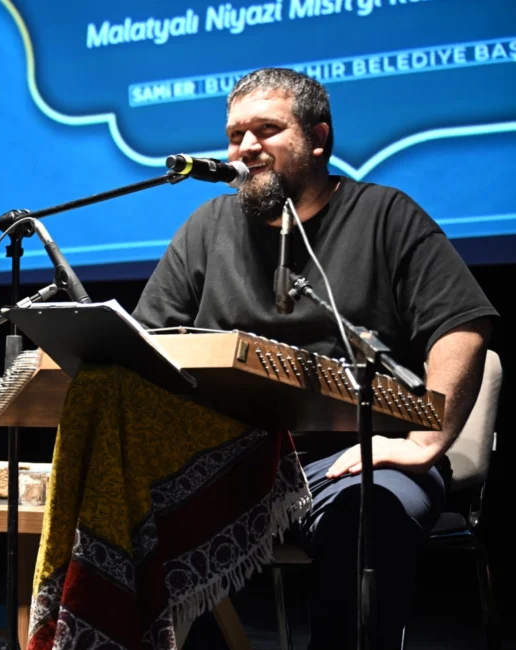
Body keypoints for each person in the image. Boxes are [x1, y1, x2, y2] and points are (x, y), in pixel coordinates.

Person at [131, 68, 497, 649]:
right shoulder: (206, 226)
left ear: (318, 138)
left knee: (370, 518)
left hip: (354, 458)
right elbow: (148, 340)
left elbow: (463, 327)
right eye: (234, 135)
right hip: (231, 461)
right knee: (127, 516)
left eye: (267, 130)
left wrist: (427, 441)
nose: (245, 147)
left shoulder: (386, 215)